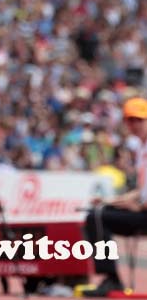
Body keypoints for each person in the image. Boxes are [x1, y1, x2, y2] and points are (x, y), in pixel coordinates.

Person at [84, 97, 147, 297]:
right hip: (141, 211)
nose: (134, 124)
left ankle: (111, 279)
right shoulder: (141, 150)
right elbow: (140, 190)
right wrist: (109, 201)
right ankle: (111, 279)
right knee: (97, 214)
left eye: (139, 119)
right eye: (130, 120)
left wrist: (142, 206)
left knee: (97, 217)